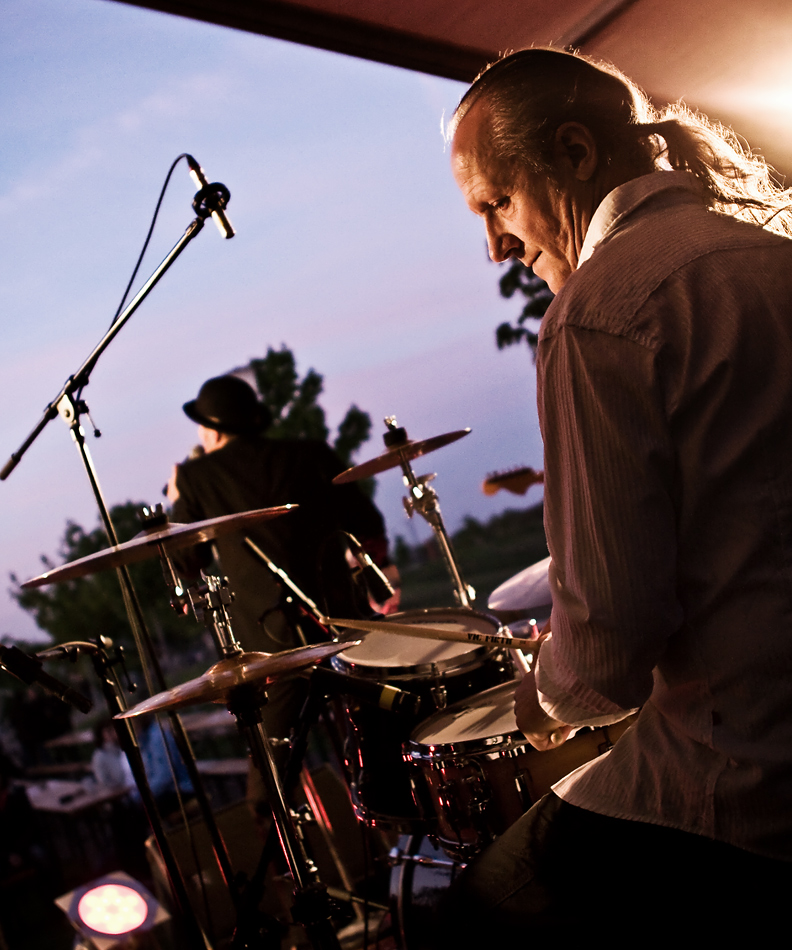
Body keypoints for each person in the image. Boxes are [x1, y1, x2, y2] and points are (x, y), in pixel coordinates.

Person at [439, 47, 792, 939]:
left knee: (479, 912)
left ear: (575, 154)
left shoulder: (599, 313)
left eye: (496, 203)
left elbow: (606, 653)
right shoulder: (772, 256)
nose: (495, 247)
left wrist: (541, 699)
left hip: (751, 775)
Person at [167, 374, 397, 818]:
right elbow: (370, 527)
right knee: (383, 732)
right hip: (345, 626)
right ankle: (404, 823)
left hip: (271, 646)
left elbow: (186, 565)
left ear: (213, 429)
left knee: (272, 768)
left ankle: (284, 857)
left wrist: (178, 499)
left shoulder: (196, 478)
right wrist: (377, 575)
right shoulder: (310, 453)